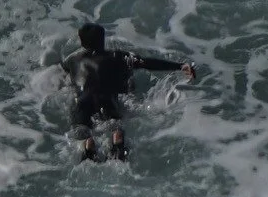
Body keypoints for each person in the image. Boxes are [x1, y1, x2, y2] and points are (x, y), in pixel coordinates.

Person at [60, 22, 195, 163]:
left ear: (82, 41)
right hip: (107, 99)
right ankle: (116, 139)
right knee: (115, 129)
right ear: (102, 40)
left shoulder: (72, 60)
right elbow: (147, 62)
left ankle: (88, 144)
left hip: (83, 102)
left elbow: (61, 71)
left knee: (83, 133)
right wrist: (180, 66)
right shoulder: (117, 56)